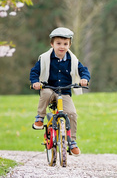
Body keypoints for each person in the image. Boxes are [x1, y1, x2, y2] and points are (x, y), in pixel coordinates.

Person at [30, 27, 90, 156]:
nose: (62, 47)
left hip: (64, 92)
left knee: (72, 114)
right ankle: (40, 117)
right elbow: (34, 71)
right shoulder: (45, 58)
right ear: (52, 44)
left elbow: (83, 70)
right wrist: (35, 82)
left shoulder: (72, 60)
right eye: (58, 43)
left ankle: (72, 142)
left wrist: (84, 78)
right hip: (49, 89)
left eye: (65, 44)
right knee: (45, 93)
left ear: (69, 45)